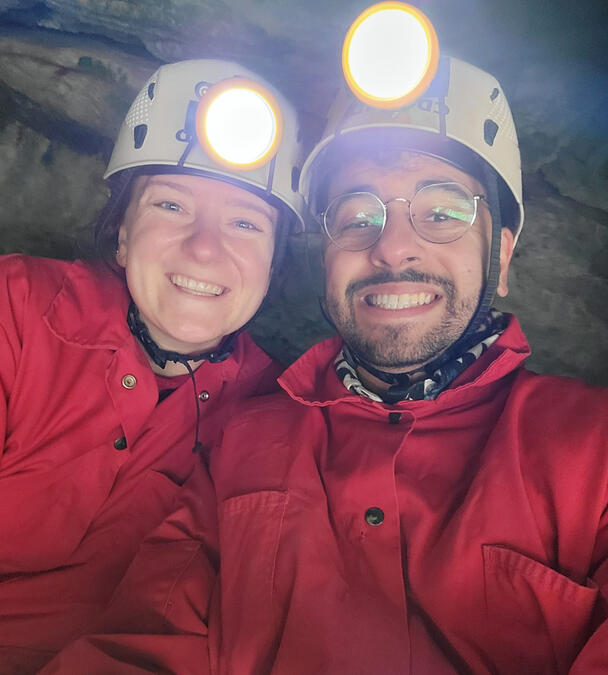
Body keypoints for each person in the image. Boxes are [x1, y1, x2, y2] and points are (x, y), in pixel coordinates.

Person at [39, 5, 608, 674]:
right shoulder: (241, 448)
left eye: (443, 211)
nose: (393, 246)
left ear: (503, 256)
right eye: (356, 212)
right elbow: (145, 645)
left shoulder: (594, 452)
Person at [0, 57, 305, 674]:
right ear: (120, 235)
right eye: (171, 205)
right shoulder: (19, 309)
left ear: (273, 268)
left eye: (246, 222)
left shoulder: (277, 418)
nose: (205, 247)